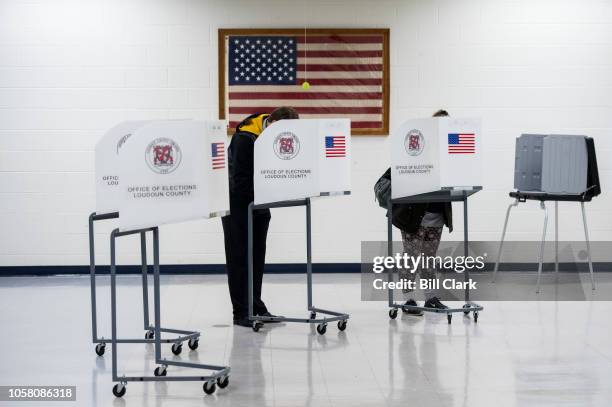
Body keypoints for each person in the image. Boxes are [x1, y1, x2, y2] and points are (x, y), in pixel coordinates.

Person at [222, 107, 300, 327]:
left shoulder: (273, 139)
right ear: (271, 121)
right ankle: (241, 313)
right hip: (236, 205)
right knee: (239, 259)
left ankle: (256, 306)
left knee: (256, 258)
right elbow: (240, 182)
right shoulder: (245, 139)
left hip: (260, 205)